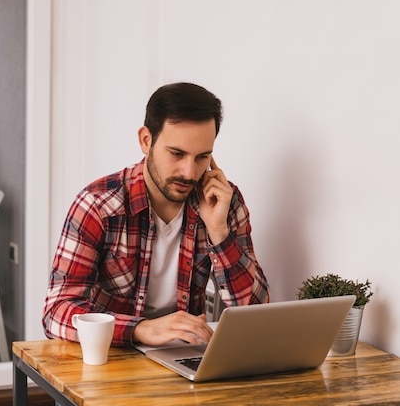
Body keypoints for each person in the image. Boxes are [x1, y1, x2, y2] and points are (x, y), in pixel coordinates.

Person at [42, 82, 270, 348]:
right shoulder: (98, 205)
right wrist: (141, 329)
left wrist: (218, 231)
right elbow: (55, 312)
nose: (189, 172)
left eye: (201, 157)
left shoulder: (222, 202)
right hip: (112, 355)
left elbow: (255, 313)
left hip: (184, 357)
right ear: (146, 140)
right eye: (177, 154)